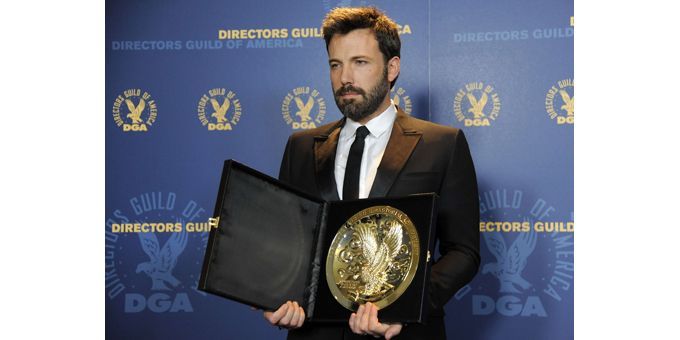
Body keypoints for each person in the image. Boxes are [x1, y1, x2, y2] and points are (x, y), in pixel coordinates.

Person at [264, 7, 480, 340]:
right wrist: (271, 295)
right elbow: (286, 245)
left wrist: (406, 308)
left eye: (360, 62)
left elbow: (463, 252)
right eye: (335, 64)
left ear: (392, 68)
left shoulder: (443, 144)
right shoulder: (301, 146)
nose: (344, 77)